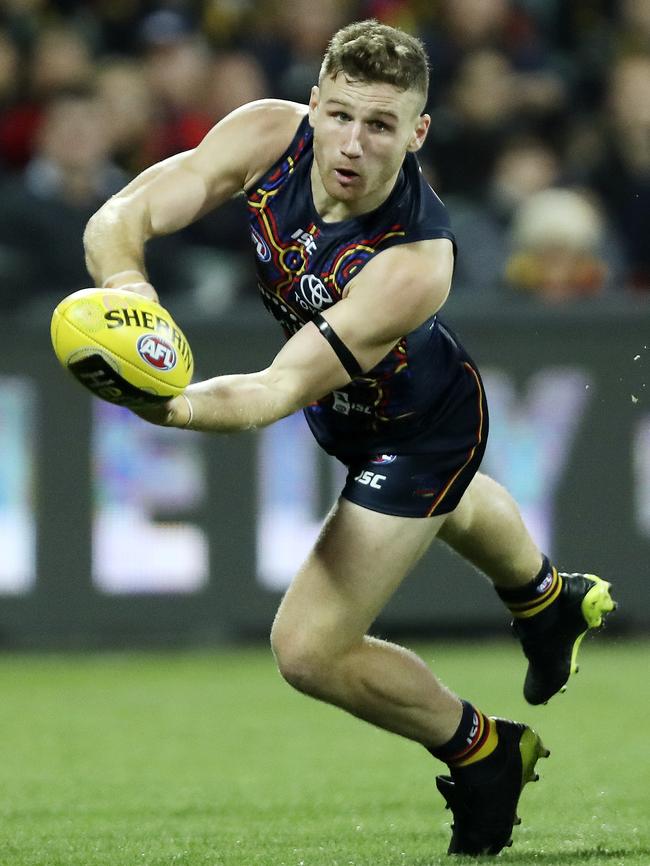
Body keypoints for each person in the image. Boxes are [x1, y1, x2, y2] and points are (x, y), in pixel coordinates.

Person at [82, 21, 616, 856]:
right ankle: (548, 601)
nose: (351, 143)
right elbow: (126, 212)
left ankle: (485, 752)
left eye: (379, 124)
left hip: (420, 429)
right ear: (314, 104)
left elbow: (274, 389)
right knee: (464, 509)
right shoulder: (269, 133)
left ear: (418, 133)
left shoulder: (416, 258)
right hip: (349, 412)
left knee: (306, 649)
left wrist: (165, 405)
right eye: (338, 115)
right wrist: (129, 293)